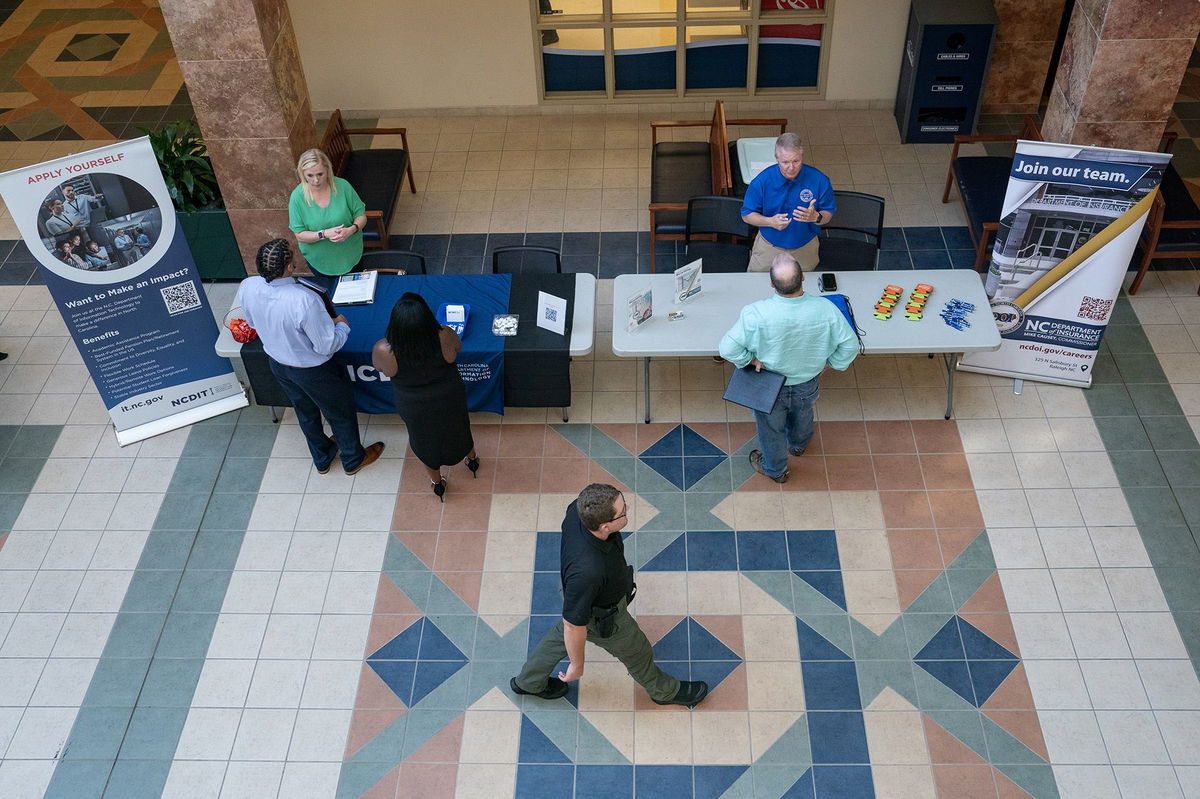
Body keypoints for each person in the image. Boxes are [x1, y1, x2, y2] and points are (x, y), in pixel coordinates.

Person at [511, 483, 709, 708]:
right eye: (623, 511)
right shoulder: (589, 571)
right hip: (602, 615)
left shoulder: (577, 511)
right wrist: (577, 665)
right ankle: (664, 691)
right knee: (638, 651)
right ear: (605, 526)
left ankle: (528, 681)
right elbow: (574, 626)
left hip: (575, 593)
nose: (629, 509)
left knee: (562, 635)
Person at [240, 238, 384, 475]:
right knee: (340, 412)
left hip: (278, 364)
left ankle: (322, 457)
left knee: (305, 412)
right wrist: (342, 325)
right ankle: (353, 458)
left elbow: (253, 323)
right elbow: (326, 345)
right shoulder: (304, 299)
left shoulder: (248, 286)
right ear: (288, 267)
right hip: (314, 371)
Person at [718, 253, 859, 483]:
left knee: (770, 429)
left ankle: (776, 469)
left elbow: (727, 349)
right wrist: (832, 363)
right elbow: (850, 345)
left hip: (769, 385)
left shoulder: (755, 312)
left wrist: (750, 360)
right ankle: (798, 446)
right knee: (803, 416)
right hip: (807, 382)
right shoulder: (825, 309)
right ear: (803, 278)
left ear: (772, 284)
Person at [370, 293, 479, 501]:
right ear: (428, 318)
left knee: (423, 439)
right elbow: (457, 349)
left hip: (413, 405)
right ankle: (471, 458)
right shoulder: (444, 335)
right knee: (459, 426)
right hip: (449, 397)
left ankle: (437, 483)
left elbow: (380, 369)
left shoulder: (384, 349)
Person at [740, 132, 836, 273]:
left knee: (805, 287)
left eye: (796, 161)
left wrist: (817, 217)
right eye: (785, 162)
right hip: (769, 246)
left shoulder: (819, 180)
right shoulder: (762, 181)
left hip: (805, 246)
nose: (791, 167)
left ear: (802, 157)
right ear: (776, 158)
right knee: (756, 283)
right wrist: (770, 221)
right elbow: (747, 214)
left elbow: (828, 213)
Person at [288, 148, 368, 292]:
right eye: (310, 175)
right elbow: (299, 235)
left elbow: (361, 215)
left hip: (351, 254)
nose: (316, 180)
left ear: (328, 170)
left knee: (356, 292)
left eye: (320, 174)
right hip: (320, 261)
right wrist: (324, 234)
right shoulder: (297, 197)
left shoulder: (343, 186)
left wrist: (352, 229)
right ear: (302, 174)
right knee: (330, 296)